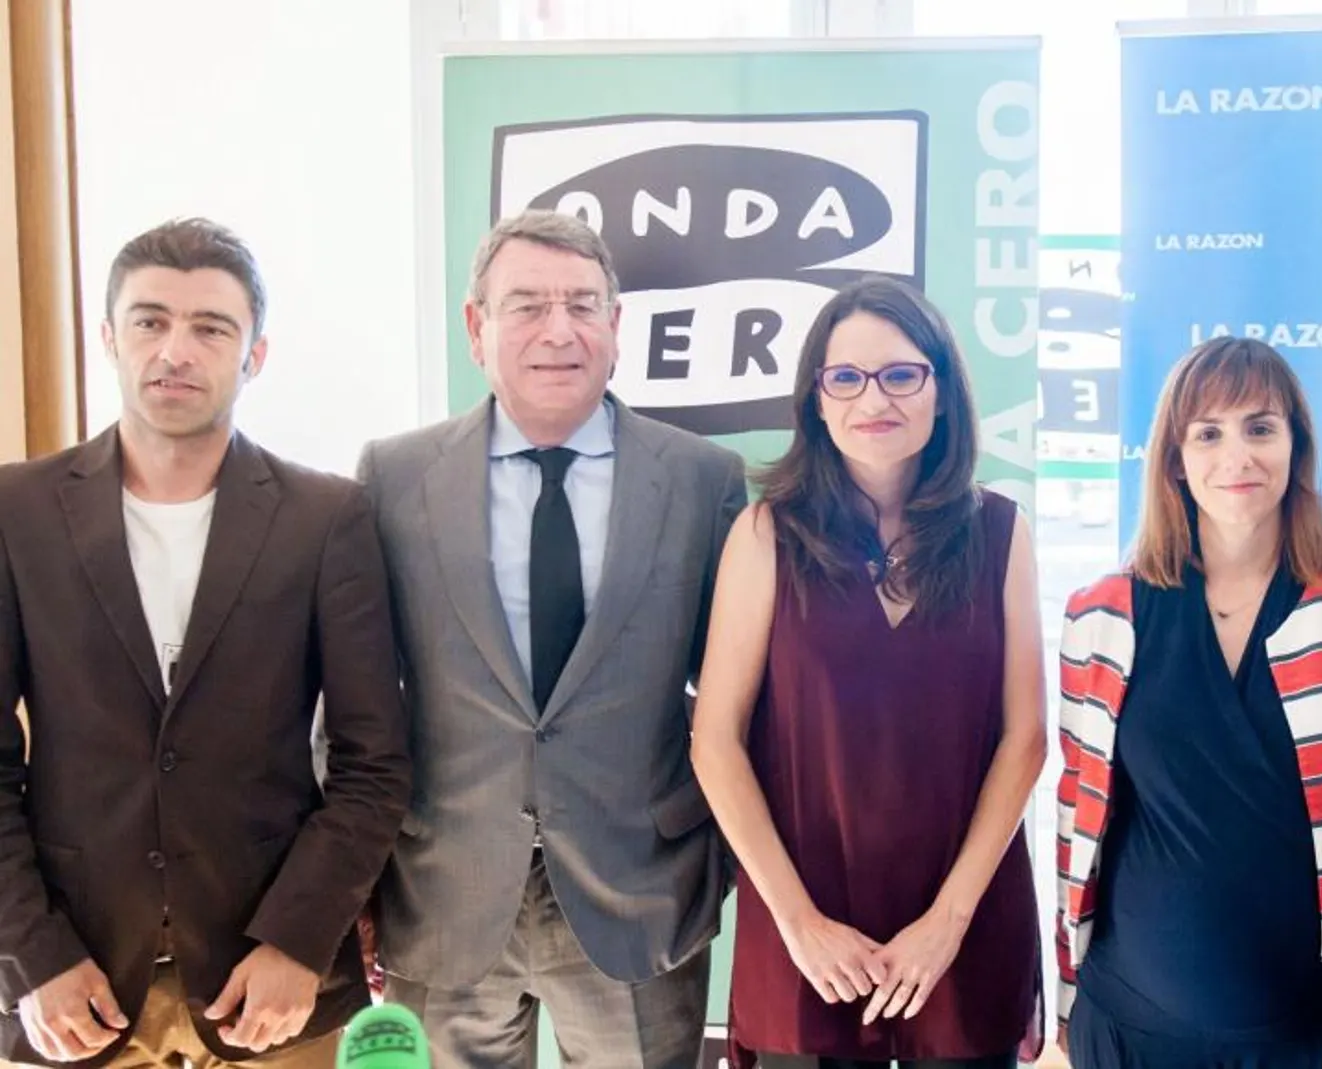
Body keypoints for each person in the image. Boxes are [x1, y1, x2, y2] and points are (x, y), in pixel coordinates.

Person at [0, 218, 410, 1067]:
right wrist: (33, 954)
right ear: (110, 339)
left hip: (273, 985)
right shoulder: (18, 511)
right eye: (150, 321)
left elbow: (374, 762)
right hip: (70, 987)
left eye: (211, 327)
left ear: (254, 355)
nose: (175, 350)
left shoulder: (326, 518)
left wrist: (300, 940)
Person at [357, 209, 747, 1069]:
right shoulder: (393, 478)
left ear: (618, 326)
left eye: (582, 303)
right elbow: (355, 701)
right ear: (476, 327)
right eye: (527, 304)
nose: (558, 330)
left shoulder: (702, 481)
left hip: (641, 894)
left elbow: (738, 702)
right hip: (444, 895)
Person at [691, 276, 1045, 1069]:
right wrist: (799, 922)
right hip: (806, 931)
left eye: (901, 373)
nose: (871, 397)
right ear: (816, 399)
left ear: (942, 391)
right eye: (844, 377)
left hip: (960, 925)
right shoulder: (766, 533)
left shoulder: (1000, 531)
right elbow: (714, 740)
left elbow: (1025, 740)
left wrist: (947, 923)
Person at [1055, 337, 1322, 1069]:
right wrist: (1068, 1002)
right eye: (1209, 432)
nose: (1238, 456)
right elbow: (1079, 822)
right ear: (1173, 457)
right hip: (1133, 1032)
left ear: (1297, 444)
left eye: (1261, 427)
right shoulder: (1100, 615)